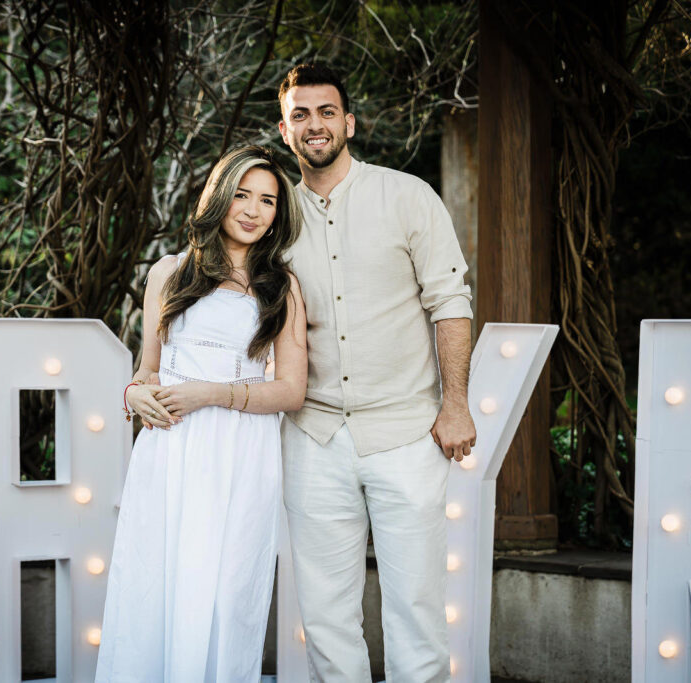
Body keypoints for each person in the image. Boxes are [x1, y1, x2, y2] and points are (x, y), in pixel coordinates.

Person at [277, 63, 477, 682]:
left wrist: (456, 404)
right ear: (284, 131)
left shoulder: (408, 195)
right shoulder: (272, 215)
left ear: (350, 123)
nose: (315, 125)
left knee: (416, 609)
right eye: (301, 115)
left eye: (326, 112)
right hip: (313, 436)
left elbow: (450, 301)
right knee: (328, 617)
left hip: (406, 434)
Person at [95, 145, 307, 682]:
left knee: (227, 593)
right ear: (219, 195)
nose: (254, 210)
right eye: (242, 194)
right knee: (157, 583)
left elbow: (291, 391)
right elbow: (148, 371)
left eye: (268, 201)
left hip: (240, 455)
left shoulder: (281, 286)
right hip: (171, 450)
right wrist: (132, 396)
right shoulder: (169, 272)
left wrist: (210, 393)